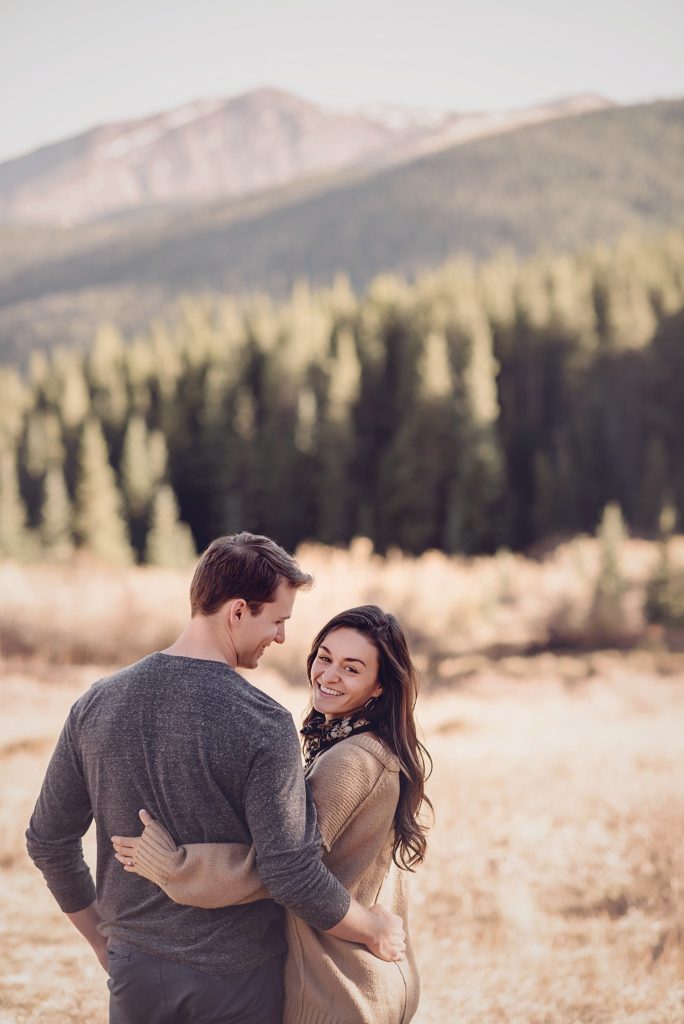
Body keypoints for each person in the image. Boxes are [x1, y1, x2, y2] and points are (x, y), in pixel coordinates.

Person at [26, 534, 405, 1024]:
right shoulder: (263, 721)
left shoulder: (97, 702)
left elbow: (48, 842)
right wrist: (372, 929)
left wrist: (105, 942)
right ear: (238, 612)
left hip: (135, 972)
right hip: (238, 983)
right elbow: (292, 873)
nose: (281, 638)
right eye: (278, 621)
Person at [112, 605, 432, 1024]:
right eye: (324, 658)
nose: (329, 675)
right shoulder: (370, 747)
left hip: (338, 990)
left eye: (351, 669)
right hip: (369, 978)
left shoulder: (351, 762)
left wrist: (173, 865)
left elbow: (284, 868)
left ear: (379, 687)